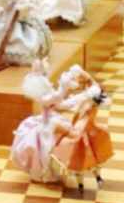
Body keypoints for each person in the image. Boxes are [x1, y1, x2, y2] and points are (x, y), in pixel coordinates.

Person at [49, 66, 114, 195]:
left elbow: (75, 131)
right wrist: (86, 77)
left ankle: (81, 184)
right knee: (95, 160)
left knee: (81, 162)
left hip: (82, 139)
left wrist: (61, 128)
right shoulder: (93, 103)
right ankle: (97, 178)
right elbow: (95, 87)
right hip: (91, 134)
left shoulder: (86, 110)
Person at [9, 61, 66, 183]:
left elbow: (59, 103)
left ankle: (53, 169)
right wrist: (64, 86)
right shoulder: (43, 98)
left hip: (51, 121)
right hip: (45, 126)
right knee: (44, 149)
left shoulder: (47, 94)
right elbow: (55, 98)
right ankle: (44, 173)